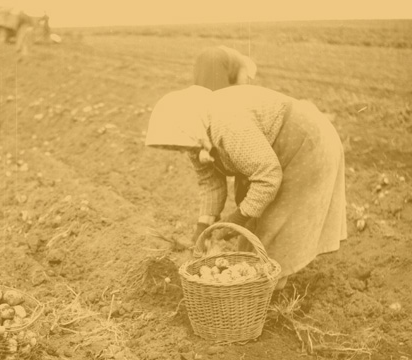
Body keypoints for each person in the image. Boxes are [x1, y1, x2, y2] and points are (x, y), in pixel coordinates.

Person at [145, 84, 347, 291]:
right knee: (252, 228)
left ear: (188, 126)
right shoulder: (196, 138)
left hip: (305, 145)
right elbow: (210, 183)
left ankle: (269, 290)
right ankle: (254, 286)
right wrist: (203, 228)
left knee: (276, 223)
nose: (181, 150)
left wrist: (237, 218)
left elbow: (268, 176)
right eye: (176, 147)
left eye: (179, 145)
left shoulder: (227, 125)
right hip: (270, 157)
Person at [193, 46, 257, 92]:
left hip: (203, 55)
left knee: (201, 90)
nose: (247, 80)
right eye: (248, 78)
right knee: (218, 94)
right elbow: (241, 85)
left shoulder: (235, 57)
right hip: (218, 57)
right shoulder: (244, 65)